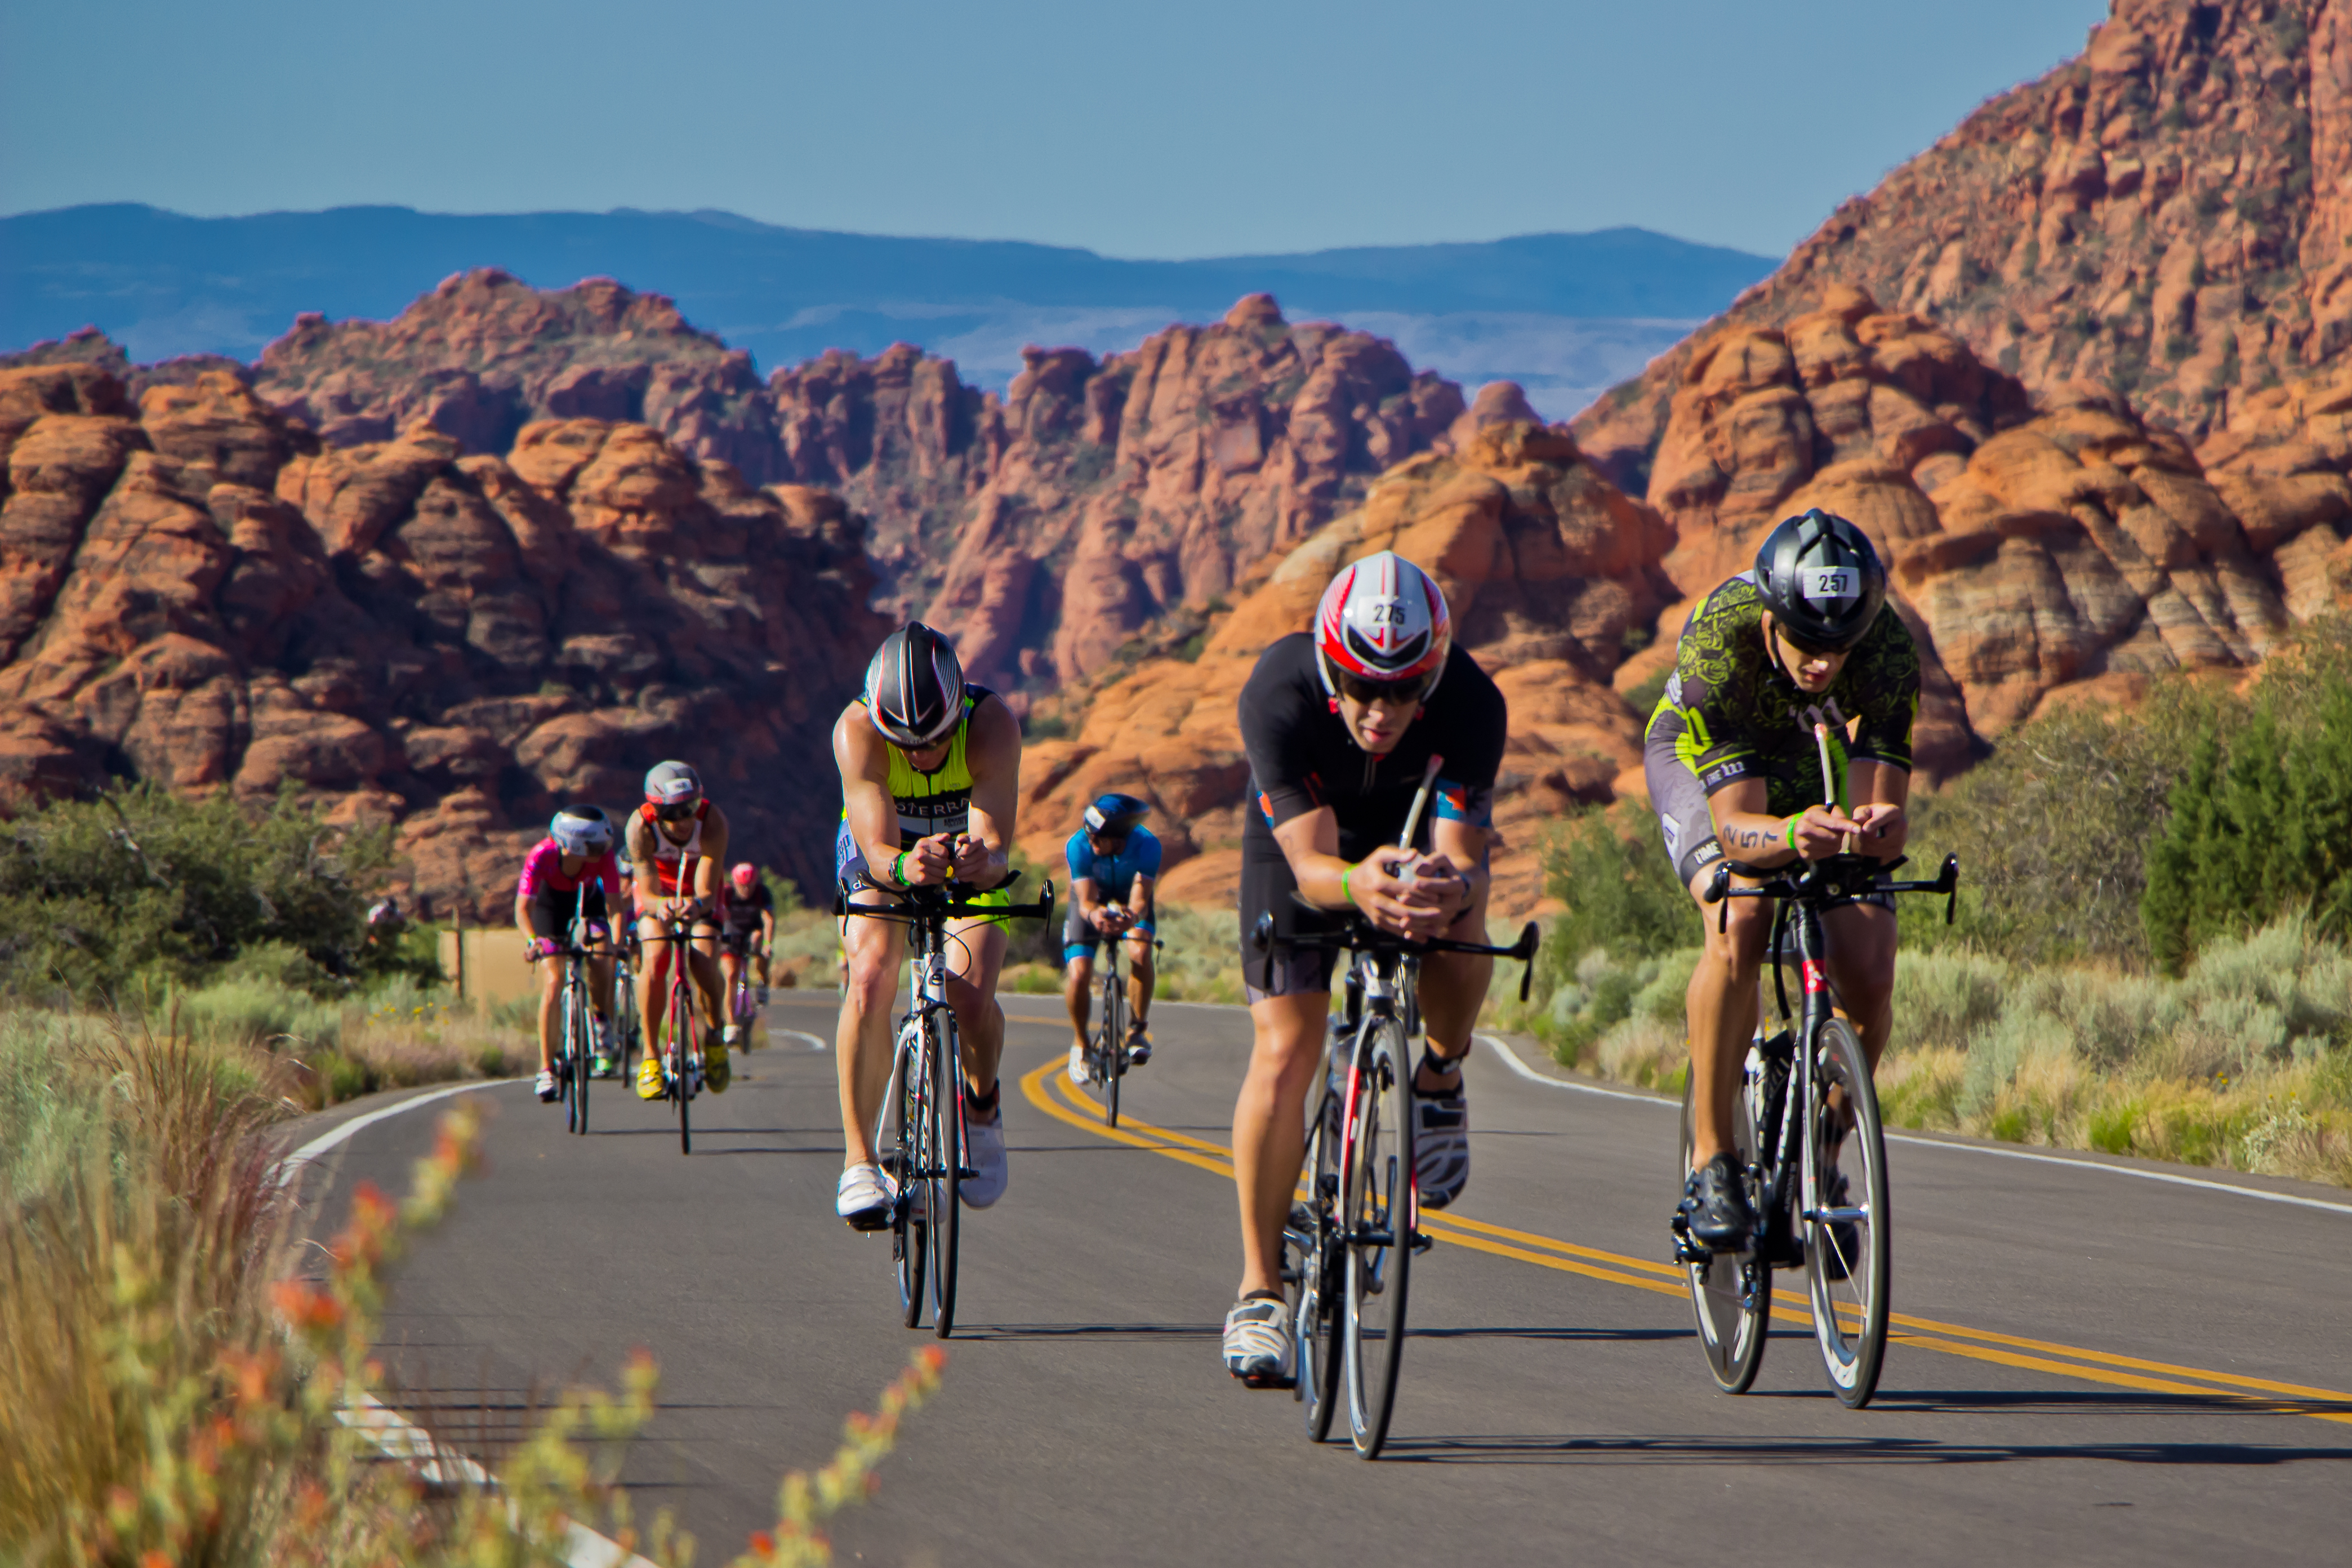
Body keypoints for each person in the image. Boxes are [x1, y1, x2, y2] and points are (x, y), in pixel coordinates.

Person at [1220, 551, 1508, 1386]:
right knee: (1286, 1047)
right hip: (1309, 849)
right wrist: (1356, 885)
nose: (1380, 712)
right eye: (1359, 687)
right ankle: (1260, 1292)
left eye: (1404, 691)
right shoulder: (1278, 692)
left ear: (1433, 676)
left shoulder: (1471, 703)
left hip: (1411, 834)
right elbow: (1312, 867)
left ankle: (1439, 1078)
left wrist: (1449, 888)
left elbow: (1465, 857)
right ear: (1328, 667)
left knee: (1466, 917)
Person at [1642, 508, 1918, 1254]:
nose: (1823, 665)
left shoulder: (1889, 647)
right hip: (1703, 764)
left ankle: (1821, 1156)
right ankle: (1711, 1162)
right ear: (1772, 616)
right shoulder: (1719, 638)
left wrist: (1874, 828)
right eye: (1806, 643)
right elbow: (1737, 828)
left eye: (1840, 648)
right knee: (1738, 918)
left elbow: (1881, 808)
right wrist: (1795, 835)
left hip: (1808, 761)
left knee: (1871, 960)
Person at [831, 623, 1022, 1228]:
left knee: (970, 997)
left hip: (965, 854)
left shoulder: (991, 724)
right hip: (886, 852)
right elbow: (877, 850)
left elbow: (996, 847)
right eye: (905, 744)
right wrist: (903, 867)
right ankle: (860, 1161)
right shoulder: (856, 729)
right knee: (869, 977)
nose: (920, 755)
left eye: (936, 741)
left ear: (958, 712)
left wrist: (983, 861)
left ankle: (981, 1107)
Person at [626, 760, 733, 1098]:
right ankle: (650, 1057)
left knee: (703, 961)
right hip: (659, 893)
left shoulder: (712, 821)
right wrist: (661, 905)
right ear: (655, 810)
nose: (684, 820)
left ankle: (715, 1035)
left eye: (690, 808)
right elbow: (647, 893)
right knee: (656, 957)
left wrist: (696, 906)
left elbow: (707, 892)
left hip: (699, 891)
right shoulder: (640, 827)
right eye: (673, 813)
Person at [514, 805, 622, 1098]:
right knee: (554, 980)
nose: (603, 852)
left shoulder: (605, 858)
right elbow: (523, 909)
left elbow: (614, 907)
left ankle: (602, 1023)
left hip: (589, 904)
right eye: (596, 847)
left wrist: (616, 943)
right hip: (550, 909)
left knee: (602, 958)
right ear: (572, 844)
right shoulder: (542, 855)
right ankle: (546, 1068)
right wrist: (533, 941)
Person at [1062, 792, 1161, 1084]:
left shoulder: (1147, 845)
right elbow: (1086, 902)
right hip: (1093, 899)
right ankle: (1081, 1045)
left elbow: (1140, 900)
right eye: (1088, 835)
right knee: (1079, 973)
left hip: (1131, 897)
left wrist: (1131, 917)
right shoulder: (1078, 845)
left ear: (1118, 837)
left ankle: (1137, 1031)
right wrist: (1095, 915)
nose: (1090, 842)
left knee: (1140, 953)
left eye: (1097, 838)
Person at [719, 861, 778, 1019]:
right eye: (742, 886)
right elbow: (720, 916)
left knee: (761, 946)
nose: (746, 890)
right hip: (732, 933)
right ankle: (731, 1022)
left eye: (750, 886)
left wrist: (767, 944)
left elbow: (769, 919)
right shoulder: (727, 893)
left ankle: (763, 982)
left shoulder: (762, 892)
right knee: (731, 976)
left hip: (754, 930)